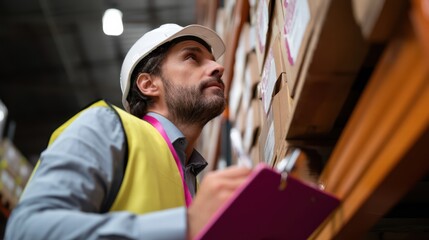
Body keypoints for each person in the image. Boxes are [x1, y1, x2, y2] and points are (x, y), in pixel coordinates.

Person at [5, 23, 252, 240]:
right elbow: (27, 231)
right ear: (148, 84)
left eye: (212, 59)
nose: (217, 67)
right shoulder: (105, 127)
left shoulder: (192, 180)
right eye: (192, 57)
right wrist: (186, 224)